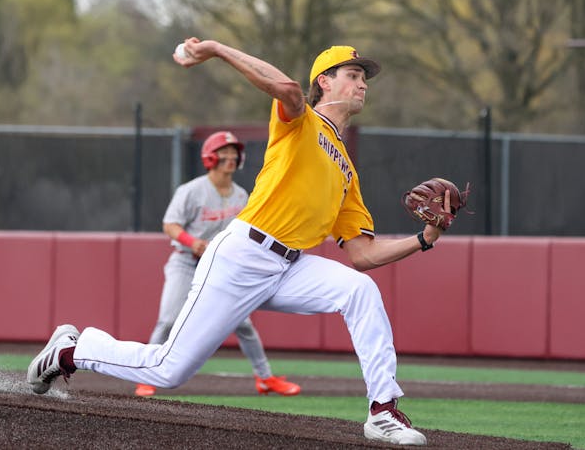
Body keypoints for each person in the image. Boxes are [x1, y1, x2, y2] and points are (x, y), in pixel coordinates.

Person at [28, 38, 453, 446]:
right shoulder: (301, 120)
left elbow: (362, 255)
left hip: (289, 267)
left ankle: (383, 411)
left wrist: (423, 239)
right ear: (324, 80)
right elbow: (286, 87)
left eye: (365, 77)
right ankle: (72, 349)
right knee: (168, 369)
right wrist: (213, 49)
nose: (362, 83)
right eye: (354, 73)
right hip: (243, 254)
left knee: (360, 290)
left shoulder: (347, 172)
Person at [133, 130, 300, 397]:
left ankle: (265, 378)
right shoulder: (191, 190)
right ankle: (146, 375)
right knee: (168, 320)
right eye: (225, 153)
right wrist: (192, 242)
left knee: (243, 324)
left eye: (234, 153)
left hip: (221, 267)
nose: (231, 158)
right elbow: (169, 224)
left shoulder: (241, 195)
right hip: (187, 262)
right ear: (210, 157)